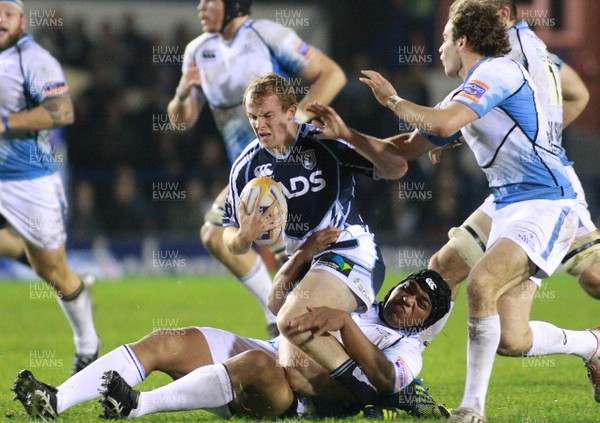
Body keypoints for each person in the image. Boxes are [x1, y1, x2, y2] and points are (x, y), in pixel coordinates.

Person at [357, 1, 599, 421]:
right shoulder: (469, 87)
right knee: (505, 331)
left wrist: (393, 101)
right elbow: (414, 145)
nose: (439, 49)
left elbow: (446, 123)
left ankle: (470, 410)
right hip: (507, 201)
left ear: (464, 39)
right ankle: (592, 345)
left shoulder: (505, 64)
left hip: (547, 199)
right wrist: (343, 139)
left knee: (484, 284)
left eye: (446, 39)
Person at [12, 229, 452, 420]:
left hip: (291, 398)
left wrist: (344, 324)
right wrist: (302, 255)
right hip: (266, 353)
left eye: (421, 304)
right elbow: (278, 304)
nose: (408, 300)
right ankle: (57, 399)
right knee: (166, 340)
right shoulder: (356, 294)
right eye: (409, 289)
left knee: (259, 368)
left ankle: (138, 405)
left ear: (424, 321)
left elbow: (385, 381)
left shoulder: (408, 350)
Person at [222, 72, 410, 402]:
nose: (259, 124)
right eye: (253, 117)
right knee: (298, 377)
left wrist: (348, 134)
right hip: (307, 264)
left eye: (267, 115)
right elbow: (230, 238)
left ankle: (378, 397)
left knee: (290, 318)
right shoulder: (246, 167)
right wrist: (243, 236)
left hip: (350, 251)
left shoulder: (325, 142)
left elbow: (397, 168)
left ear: (291, 112)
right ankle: (376, 391)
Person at [423, 0, 599, 350]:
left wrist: (535, 145)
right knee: (447, 268)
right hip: (513, 191)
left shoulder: (508, 57)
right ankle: (405, 369)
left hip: (545, 190)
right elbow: (578, 93)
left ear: (502, 15)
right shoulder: (532, 47)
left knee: (594, 277)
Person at [167, 0, 347, 337]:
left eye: (210, 1)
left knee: (290, 251)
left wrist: (300, 121)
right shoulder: (198, 50)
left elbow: (332, 74)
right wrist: (182, 92)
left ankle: (327, 331)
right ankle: (283, 320)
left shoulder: (267, 35)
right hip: (253, 173)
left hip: (290, 164)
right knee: (224, 236)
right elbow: (181, 121)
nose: (200, 7)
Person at [0, 0, 100, 375]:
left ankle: (88, 344)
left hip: (29, 180)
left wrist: (6, 122)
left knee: (52, 270)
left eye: (6, 14)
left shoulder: (35, 59)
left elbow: (63, 111)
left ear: (22, 21)